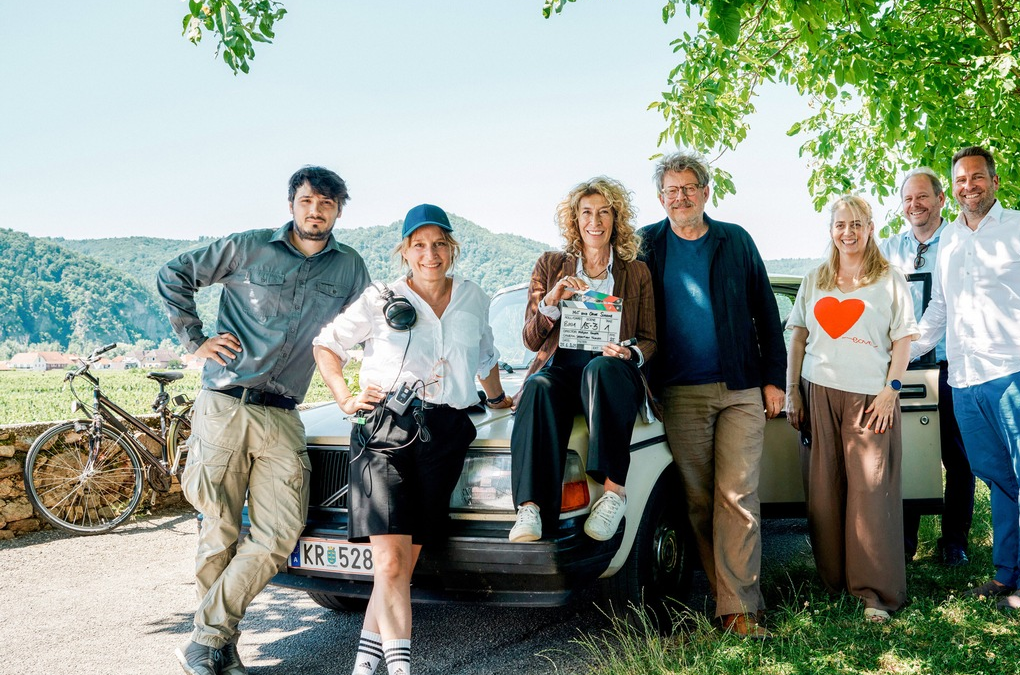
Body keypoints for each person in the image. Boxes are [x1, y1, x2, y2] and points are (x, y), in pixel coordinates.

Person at [158, 166, 371, 675]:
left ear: (339, 210)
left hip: (282, 413)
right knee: (220, 531)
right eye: (306, 201)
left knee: (280, 532)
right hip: (225, 402)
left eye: (325, 203)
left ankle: (205, 636)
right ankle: (217, 647)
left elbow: (373, 324)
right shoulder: (250, 248)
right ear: (291, 204)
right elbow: (174, 274)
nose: (314, 210)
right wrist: (195, 342)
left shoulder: (349, 269)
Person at [313, 203, 511, 675]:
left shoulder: (473, 297)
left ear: (452, 248)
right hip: (386, 432)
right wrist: (344, 396)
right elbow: (327, 343)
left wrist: (501, 400)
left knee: (397, 569)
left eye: (439, 243)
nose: (430, 253)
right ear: (405, 251)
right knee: (391, 565)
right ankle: (402, 670)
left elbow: (485, 357)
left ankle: (364, 668)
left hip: (446, 435)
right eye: (419, 245)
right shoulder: (380, 298)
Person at [912, 146, 1020, 611]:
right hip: (964, 381)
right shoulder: (950, 243)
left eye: (977, 178)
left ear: (994, 182)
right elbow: (939, 309)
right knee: (997, 479)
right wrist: (900, 351)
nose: (968, 187)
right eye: (961, 180)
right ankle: (1006, 574)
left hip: (1017, 376)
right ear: (953, 189)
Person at [638, 151, 786, 639]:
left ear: (706, 192)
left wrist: (773, 379)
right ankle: (727, 597)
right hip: (679, 392)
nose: (680, 198)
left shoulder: (735, 240)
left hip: (741, 388)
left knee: (738, 497)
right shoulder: (647, 246)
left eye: (689, 188)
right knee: (700, 502)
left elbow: (767, 312)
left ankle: (741, 611)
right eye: (671, 191)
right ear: (662, 199)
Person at [784, 195, 919, 623]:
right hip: (818, 391)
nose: (849, 232)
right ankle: (834, 583)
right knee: (823, 496)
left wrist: (891, 390)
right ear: (831, 231)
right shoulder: (815, 279)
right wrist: (792, 391)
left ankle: (875, 594)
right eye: (841, 224)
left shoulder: (890, 279)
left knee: (870, 494)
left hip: (871, 397)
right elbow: (798, 340)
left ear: (870, 228)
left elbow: (903, 341)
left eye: (857, 224)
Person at [508, 177, 656, 544]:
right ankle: (530, 508)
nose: (595, 220)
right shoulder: (550, 264)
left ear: (615, 219)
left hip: (611, 373)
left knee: (602, 367)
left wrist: (629, 352)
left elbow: (652, 340)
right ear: (574, 220)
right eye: (586, 212)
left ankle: (612, 494)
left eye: (604, 212)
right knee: (538, 386)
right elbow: (530, 340)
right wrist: (553, 303)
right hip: (562, 370)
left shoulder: (635, 272)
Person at [879, 167, 974, 567]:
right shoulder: (885, 249)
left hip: (950, 364)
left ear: (939, 199)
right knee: (908, 455)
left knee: (958, 457)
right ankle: (903, 543)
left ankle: (954, 543)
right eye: (907, 199)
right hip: (903, 366)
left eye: (922, 197)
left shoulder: (959, 240)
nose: (914, 205)